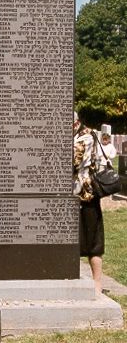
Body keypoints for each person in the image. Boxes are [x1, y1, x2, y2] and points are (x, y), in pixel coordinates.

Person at [73, 113, 104, 293]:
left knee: (93, 241)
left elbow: (73, 160)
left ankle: (97, 283)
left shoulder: (86, 135)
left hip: (86, 195)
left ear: (76, 123)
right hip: (69, 196)